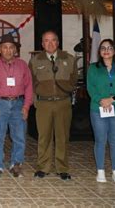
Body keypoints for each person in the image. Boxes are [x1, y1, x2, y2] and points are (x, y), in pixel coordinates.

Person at [29, 31, 77, 180]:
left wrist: (65, 90)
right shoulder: (35, 60)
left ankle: (62, 168)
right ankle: (43, 167)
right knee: (44, 137)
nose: (50, 44)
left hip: (63, 102)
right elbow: (30, 83)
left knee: (62, 137)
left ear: (58, 42)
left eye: (53, 40)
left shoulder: (69, 59)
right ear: (42, 44)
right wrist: (35, 101)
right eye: (46, 41)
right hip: (43, 104)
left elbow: (74, 80)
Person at [0, 34, 33, 178]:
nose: (8, 50)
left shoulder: (23, 65)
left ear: (15, 50)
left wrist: (26, 106)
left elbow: (29, 87)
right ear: (0, 49)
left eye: (11, 47)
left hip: (18, 104)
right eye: (5, 47)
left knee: (19, 136)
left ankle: (16, 164)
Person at [87, 39, 115, 183]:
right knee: (100, 140)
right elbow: (90, 88)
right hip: (98, 109)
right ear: (99, 52)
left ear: (114, 51)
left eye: (110, 47)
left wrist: (112, 99)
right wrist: (101, 100)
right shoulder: (93, 68)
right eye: (103, 48)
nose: (106, 50)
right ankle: (101, 171)